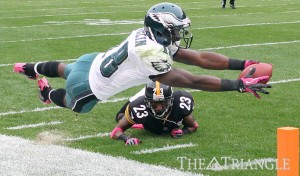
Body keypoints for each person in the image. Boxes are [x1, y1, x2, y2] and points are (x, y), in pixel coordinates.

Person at [13, 2, 270, 114]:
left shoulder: (149, 35)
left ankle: (30, 67)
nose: (180, 33)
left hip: (90, 61)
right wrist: (236, 84)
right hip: (89, 88)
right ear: (161, 27)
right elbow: (190, 80)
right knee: (74, 104)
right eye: (177, 28)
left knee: (68, 69)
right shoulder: (150, 52)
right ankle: (47, 95)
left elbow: (199, 58)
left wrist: (241, 64)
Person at [111, 81, 198, 145]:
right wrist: (126, 138)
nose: (159, 108)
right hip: (146, 96)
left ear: (171, 100)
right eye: (154, 103)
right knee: (120, 116)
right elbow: (115, 131)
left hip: (158, 90)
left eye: (163, 103)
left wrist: (183, 131)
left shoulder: (179, 103)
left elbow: (193, 126)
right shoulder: (139, 106)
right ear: (147, 101)